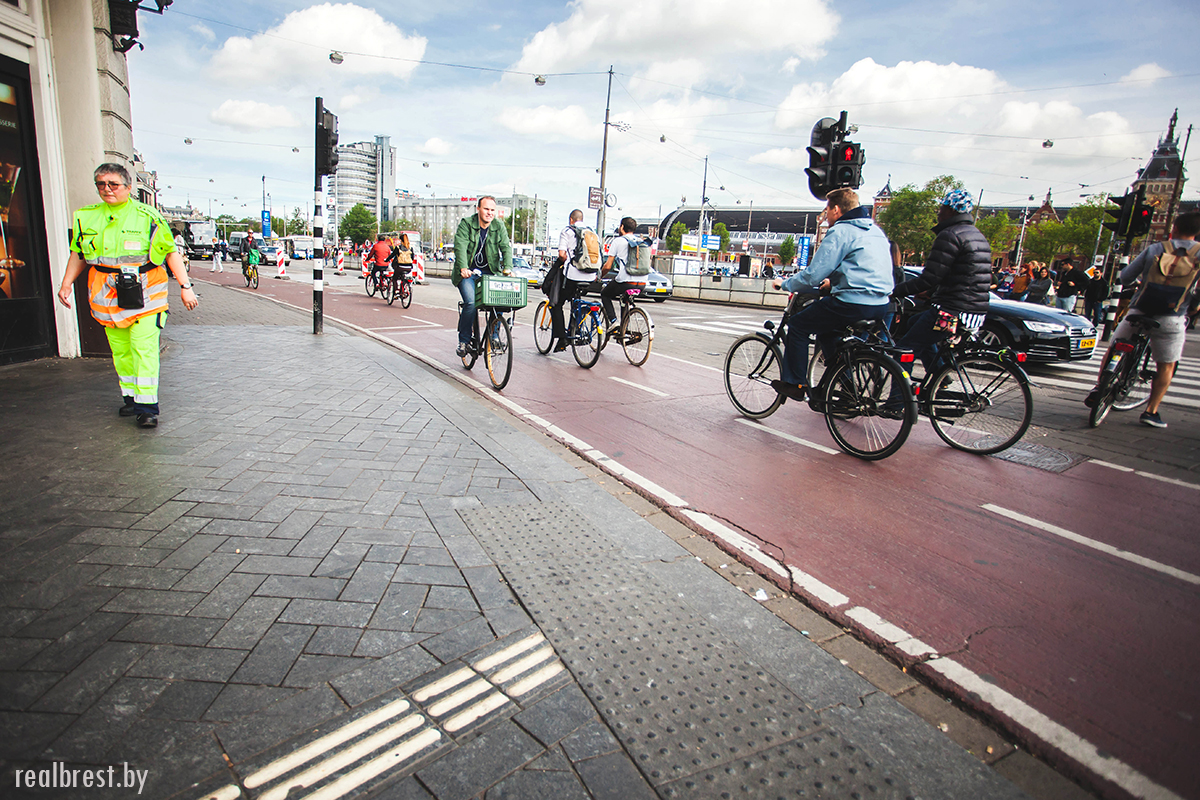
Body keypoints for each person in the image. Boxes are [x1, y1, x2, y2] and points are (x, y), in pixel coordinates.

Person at [56, 163, 198, 428]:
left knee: (143, 349)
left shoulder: (148, 216)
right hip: (107, 297)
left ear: (128, 187)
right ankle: (131, 398)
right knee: (121, 351)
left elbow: (170, 252)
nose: (107, 189)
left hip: (147, 294)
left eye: (113, 184)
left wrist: (185, 286)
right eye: (101, 184)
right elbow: (78, 254)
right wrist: (66, 284)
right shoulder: (85, 217)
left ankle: (147, 407)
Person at [768, 188, 893, 401]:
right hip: (883, 304)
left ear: (836, 209)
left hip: (853, 302)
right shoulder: (875, 230)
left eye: (827, 210)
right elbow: (863, 265)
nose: (826, 215)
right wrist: (834, 281)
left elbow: (812, 275)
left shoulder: (841, 231)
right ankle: (843, 383)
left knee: (798, 326)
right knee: (827, 333)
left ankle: (795, 383)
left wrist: (786, 283)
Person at [1084, 211, 1200, 428]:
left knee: (1114, 348)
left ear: (1173, 227)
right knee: (1166, 365)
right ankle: (1151, 411)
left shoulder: (1156, 248)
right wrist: (1193, 305)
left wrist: (1141, 281)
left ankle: (1101, 386)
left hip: (1139, 310)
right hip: (1171, 317)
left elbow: (1125, 277)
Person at [891, 189, 991, 378]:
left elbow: (929, 277)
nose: (939, 212)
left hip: (951, 311)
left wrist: (895, 291)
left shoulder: (950, 235)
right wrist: (932, 292)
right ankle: (939, 380)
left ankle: (896, 403)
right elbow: (965, 274)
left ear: (952, 210)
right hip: (975, 311)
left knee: (903, 349)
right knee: (916, 324)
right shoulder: (977, 235)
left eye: (942, 207)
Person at [452, 196, 512, 357]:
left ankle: (494, 336)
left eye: (492, 210)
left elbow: (506, 247)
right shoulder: (466, 224)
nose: (489, 213)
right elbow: (460, 246)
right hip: (468, 273)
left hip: (490, 272)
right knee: (471, 303)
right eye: (486, 209)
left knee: (499, 302)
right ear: (478, 209)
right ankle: (463, 341)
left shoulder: (499, 226)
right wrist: (463, 267)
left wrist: (508, 267)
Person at [549, 209, 595, 353]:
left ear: (571, 219)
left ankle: (562, 338)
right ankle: (576, 327)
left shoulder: (567, 231)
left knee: (556, 303)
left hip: (572, 275)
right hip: (590, 275)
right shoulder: (592, 232)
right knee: (576, 301)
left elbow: (562, 255)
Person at [600, 216, 644, 335]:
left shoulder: (618, 241)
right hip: (642, 283)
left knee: (605, 294)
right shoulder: (641, 241)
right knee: (625, 299)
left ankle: (614, 321)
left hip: (626, 282)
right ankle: (623, 330)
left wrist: (600, 276)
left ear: (622, 227)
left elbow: (608, 266)